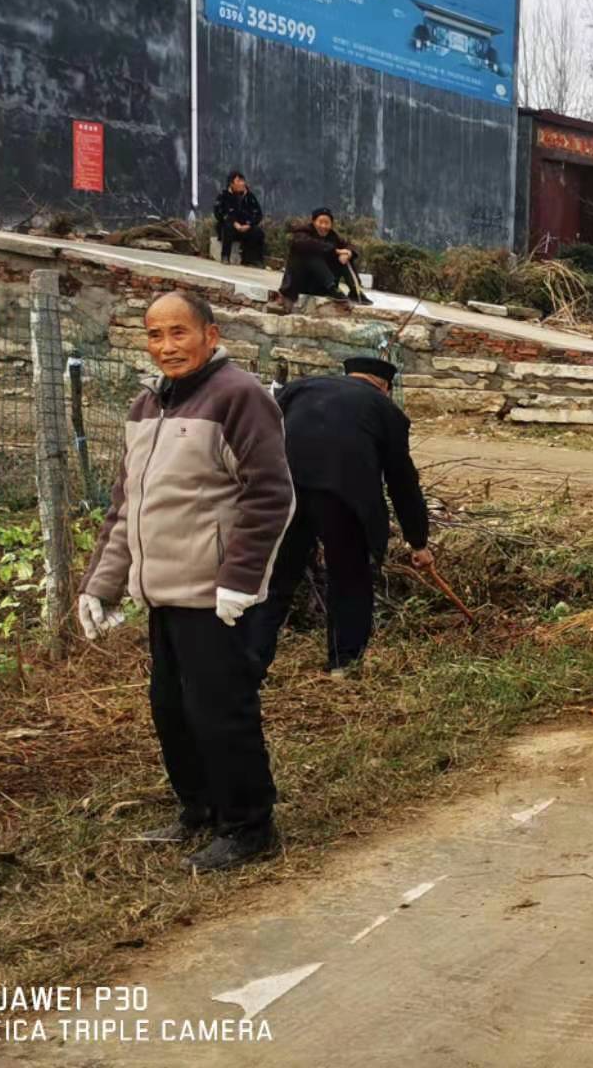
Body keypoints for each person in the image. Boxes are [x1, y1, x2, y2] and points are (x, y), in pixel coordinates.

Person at [76, 290, 293, 872]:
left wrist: (241, 578)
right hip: (163, 593)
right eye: (154, 334)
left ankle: (249, 826)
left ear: (211, 336)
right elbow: (129, 505)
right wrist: (102, 582)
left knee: (221, 711)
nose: (166, 346)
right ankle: (198, 809)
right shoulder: (148, 406)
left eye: (179, 333)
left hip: (215, 596)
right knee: (172, 709)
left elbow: (271, 495)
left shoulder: (239, 397)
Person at [245, 355, 433, 678]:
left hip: (284, 491)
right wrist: (418, 542)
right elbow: (402, 482)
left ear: (347, 374)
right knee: (349, 579)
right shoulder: (386, 410)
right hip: (345, 500)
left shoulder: (297, 390)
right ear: (385, 387)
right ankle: (343, 665)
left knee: (275, 581)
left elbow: (260, 432)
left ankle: (249, 666)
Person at [271, 209, 371, 310]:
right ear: (314, 222)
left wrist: (348, 253)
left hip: (320, 285)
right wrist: (335, 251)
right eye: (320, 222)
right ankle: (333, 289)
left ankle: (355, 291)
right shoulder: (302, 233)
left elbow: (350, 246)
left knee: (345, 257)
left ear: (331, 224)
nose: (323, 226)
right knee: (312, 255)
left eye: (327, 223)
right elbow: (308, 244)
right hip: (301, 284)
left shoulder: (333, 236)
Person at [212, 172, 265, 268]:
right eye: (238, 181)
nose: (242, 183)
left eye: (242, 181)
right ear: (231, 184)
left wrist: (248, 224)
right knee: (227, 226)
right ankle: (225, 256)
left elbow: (258, 214)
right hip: (229, 228)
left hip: (245, 227)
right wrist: (234, 223)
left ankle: (253, 260)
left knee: (258, 232)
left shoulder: (250, 197)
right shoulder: (224, 196)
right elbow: (219, 213)